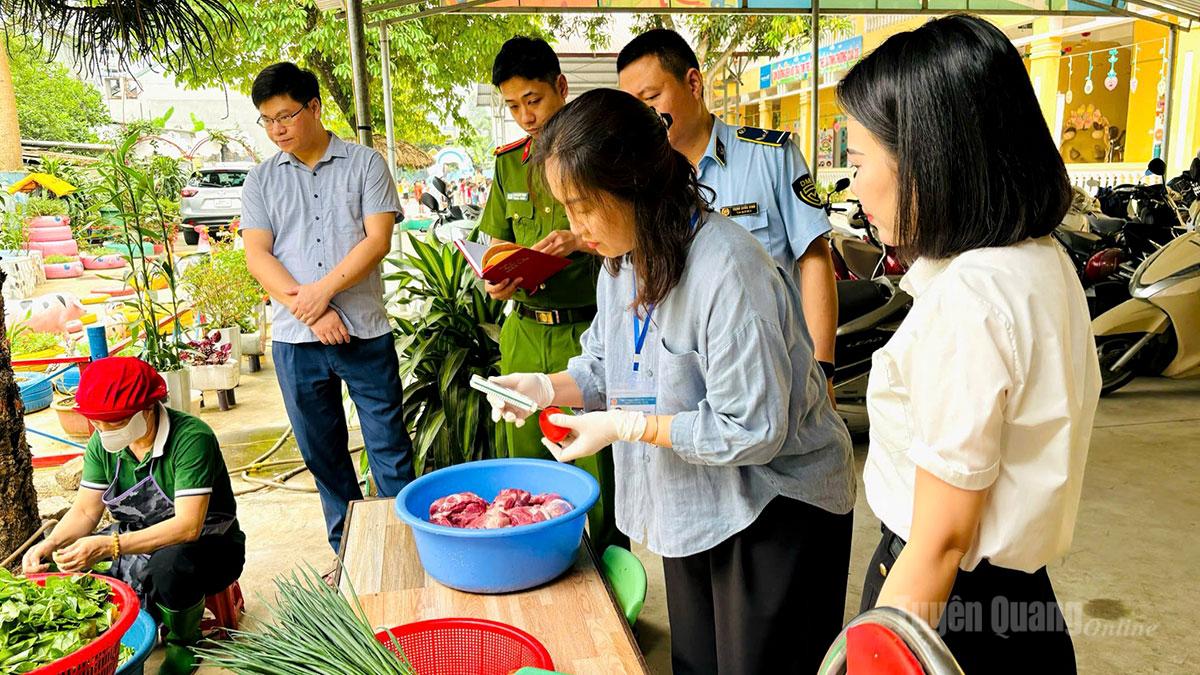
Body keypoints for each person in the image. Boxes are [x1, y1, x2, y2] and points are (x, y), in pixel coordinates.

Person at [487, 88, 855, 675]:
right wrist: (547, 387)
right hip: (694, 497)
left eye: (582, 205)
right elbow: (605, 368)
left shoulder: (728, 268)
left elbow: (752, 428)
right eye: (565, 207)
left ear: (633, 182)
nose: (573, 227)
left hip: (776, 505)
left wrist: (628, 424)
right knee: (696, 662)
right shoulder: (620, 261)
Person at [842, 15, 1101, 673]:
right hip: (1021, 602)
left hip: (943, 610)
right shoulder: (1044, 260)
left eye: (859, 161)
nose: (855, 187)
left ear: (928, 158)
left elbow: (940, 539)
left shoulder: (973, 298)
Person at [239, 62, 414, 565]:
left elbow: (377, 240)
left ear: (314, 107)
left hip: (364, 331)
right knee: (323, 454)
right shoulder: (260, 180)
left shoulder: (365, 165)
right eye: (267, 120)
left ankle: (407, 549)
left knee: (389, 447)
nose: (277, 129)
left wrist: (321, 295)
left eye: (286, 115)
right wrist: (310, 309)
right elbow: (258, 255)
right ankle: (350, 555)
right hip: (296, 341)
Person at [618, 29, 840, 402]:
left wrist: (823, 370)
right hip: (683, 383)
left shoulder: (769, 156)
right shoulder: (640, 184)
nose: (646, 115)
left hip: (775, 373)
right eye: (634, 106)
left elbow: (814, 258)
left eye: (652, 97)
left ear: (693, 83)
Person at [479, 36, 623, 552]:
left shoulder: (597, 151)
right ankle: (536, 566)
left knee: (598, 468)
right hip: (524, 330)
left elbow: (632, 224)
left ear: (560, 87)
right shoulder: (508, 163)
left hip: (588, 329)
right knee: (524, 462)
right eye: (513, 106)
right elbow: (495, 240)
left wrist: (578, 240)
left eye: (533, 101)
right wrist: (496, 274)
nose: (524, 116)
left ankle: (611, 582)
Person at [22, 357, 244, 675]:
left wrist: (110, 546)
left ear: (147, 408)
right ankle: (122, 631)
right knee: (62, 558)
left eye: (114, 423)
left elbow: (187, 526)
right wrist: (51, 542)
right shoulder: (103, 444)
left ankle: (185, 643)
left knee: (169, 566)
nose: (103, 432)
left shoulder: (191, 438)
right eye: (97, 423)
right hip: (136, 534)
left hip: (209, 545)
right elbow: (86, 510)